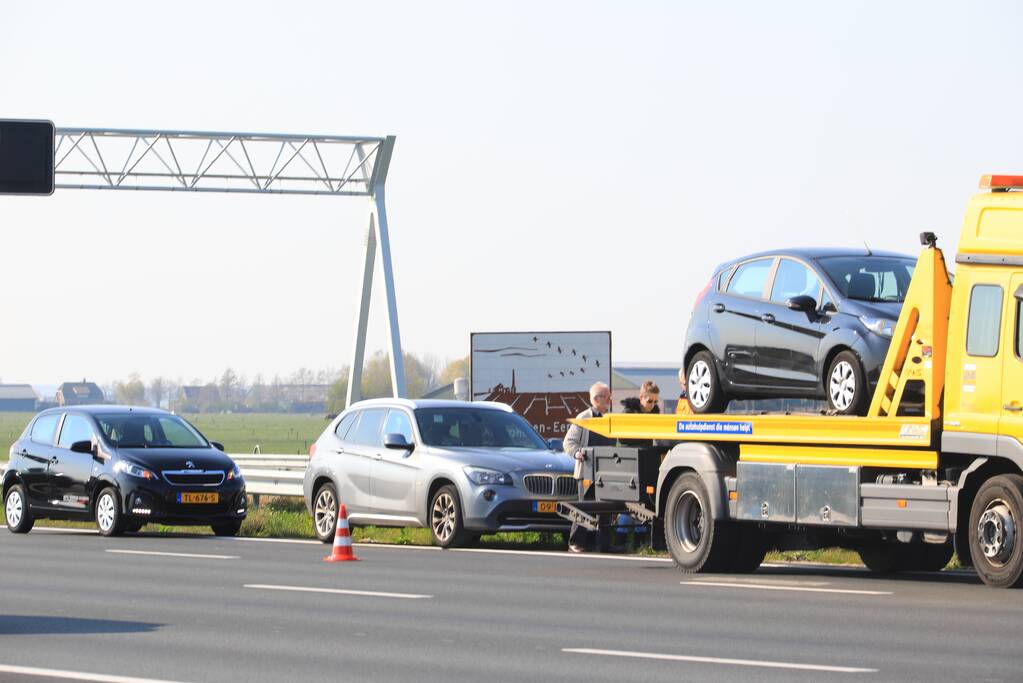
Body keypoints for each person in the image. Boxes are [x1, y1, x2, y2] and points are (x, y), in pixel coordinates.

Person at [564, 381, 614, 552]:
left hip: (606, 471)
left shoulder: (611, 418)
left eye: (609, 396)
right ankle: (576, 543)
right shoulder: (583, 418)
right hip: (587, 470)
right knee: (584, 507)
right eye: (605, 396)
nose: (609, 399)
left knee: (606, 508)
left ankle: (603, 545)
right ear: (594, 398)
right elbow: (569, 442)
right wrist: (577, 453)